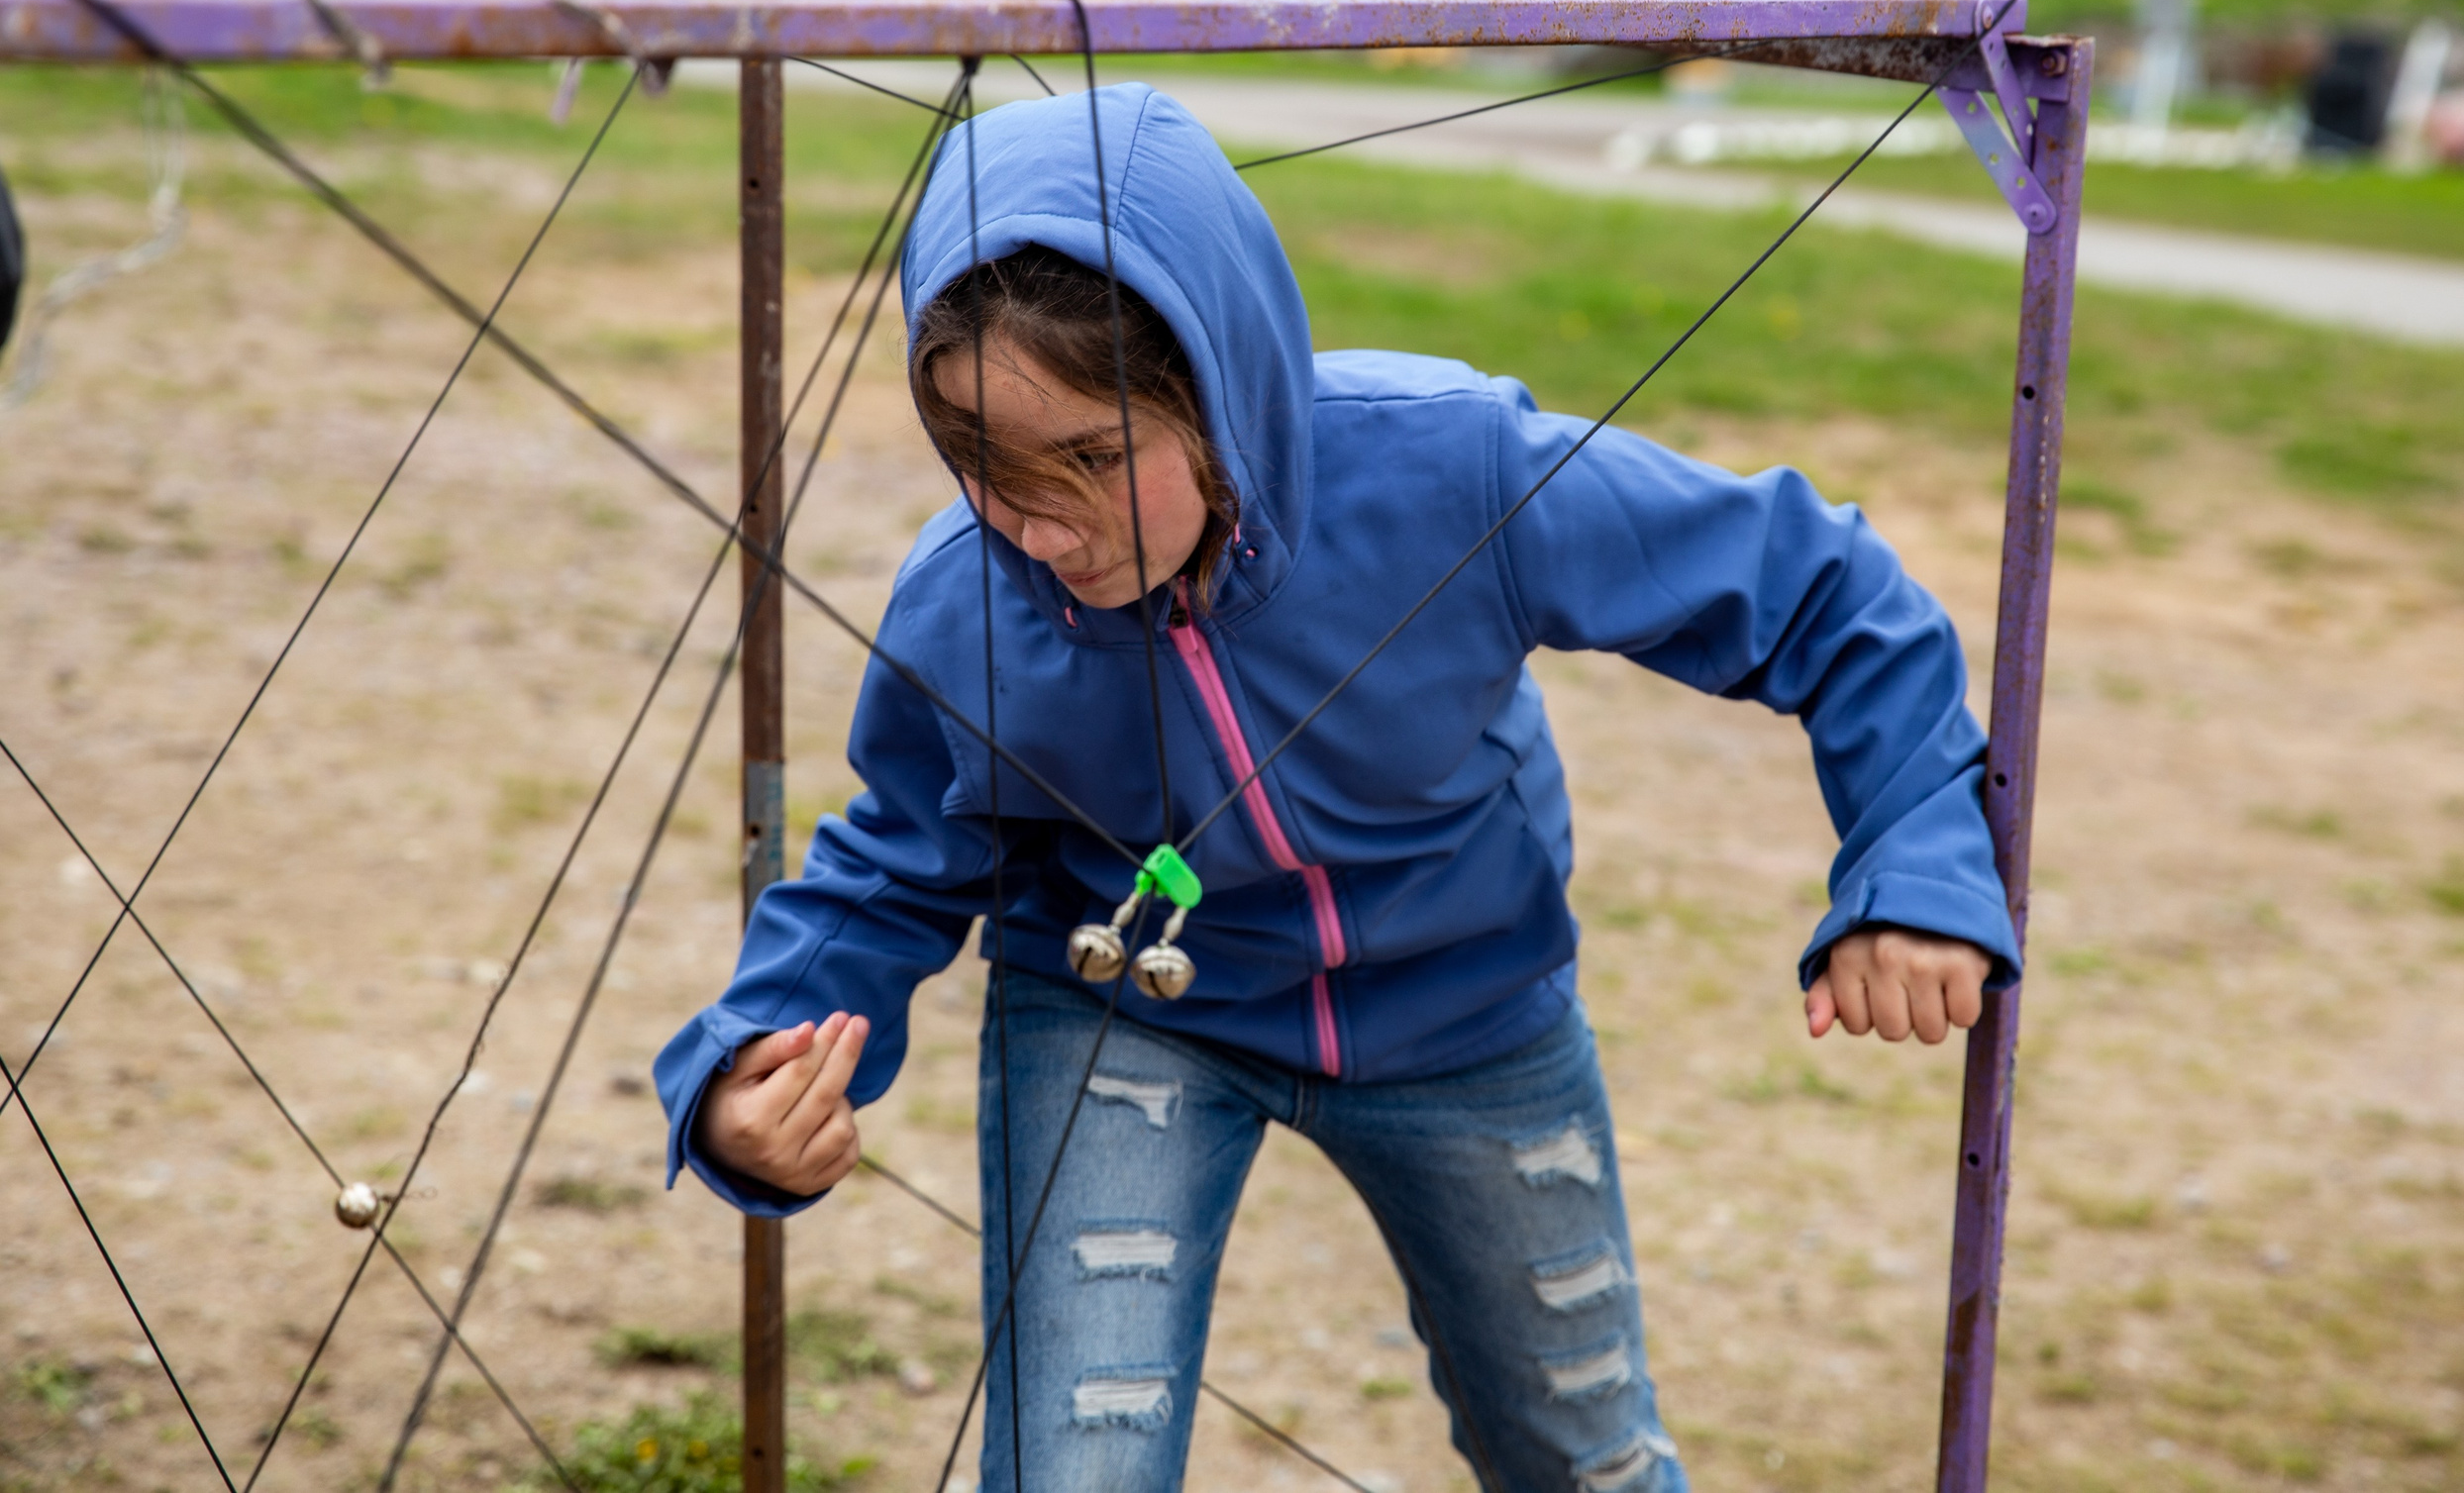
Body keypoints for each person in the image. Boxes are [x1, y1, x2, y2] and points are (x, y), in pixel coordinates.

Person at [655, 84, 2018, 1493]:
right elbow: (891, 859)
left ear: (1216, 381)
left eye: (1094, 457)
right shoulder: (966, 602)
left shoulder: (1451, 466)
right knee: (1071, 1474)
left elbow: (1818, 593)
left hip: (1470, 1011)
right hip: (1125, 1006)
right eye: (981, 466)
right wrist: (745, 1069)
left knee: (1583, 1462)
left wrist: (1913, 867)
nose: (1040, 524)